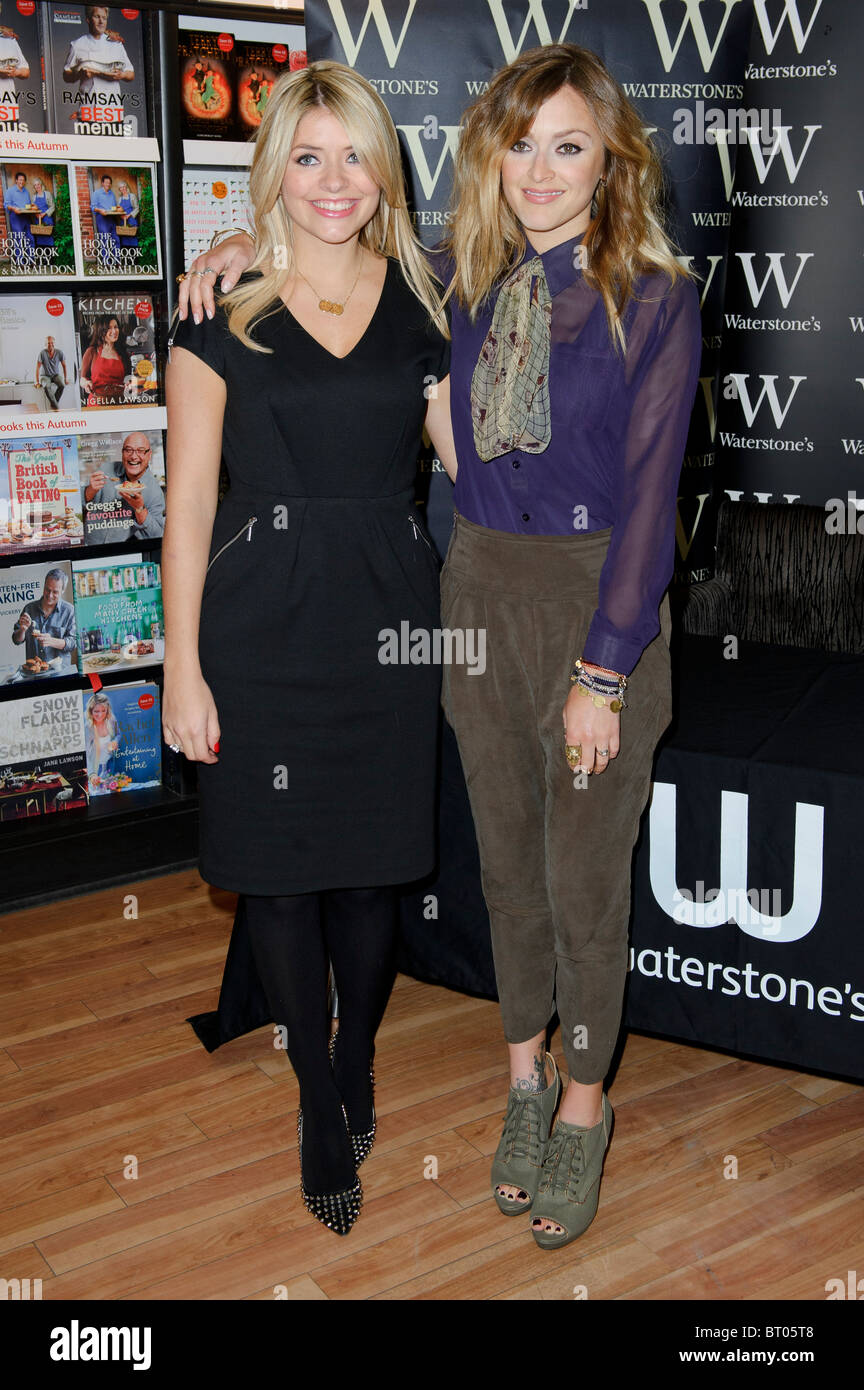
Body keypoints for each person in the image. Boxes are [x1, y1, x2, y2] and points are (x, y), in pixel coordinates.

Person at [182, 42, 703, 1253]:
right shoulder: (459, 289)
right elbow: (334, 286)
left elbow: (649, 502)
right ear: (486, 157)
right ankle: (523, 1080)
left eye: (567, 143)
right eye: (517, 143)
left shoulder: (654, 298)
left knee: (583, 883)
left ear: (609, 158)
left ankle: (584, 1101)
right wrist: (238, 248)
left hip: (591, 608)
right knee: (506, 871)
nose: (539, 169)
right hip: (474, 593)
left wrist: (604, 669)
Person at [164, 60, 453, 1238]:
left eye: (354, 155)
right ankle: (318, 1102)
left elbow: (473, 465)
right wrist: (179, 665)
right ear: (272, 166)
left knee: (376, 873)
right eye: (309, 154)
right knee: (278, 875)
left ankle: (358, 1053)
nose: (334, 180)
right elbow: (184, 508)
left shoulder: (429, 306)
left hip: (389, 628)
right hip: (259, 627)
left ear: (383, 170)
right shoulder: (215, 307)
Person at [84, 431, 164, 540]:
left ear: (149, 455)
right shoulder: (105, 470)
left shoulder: (155, 492)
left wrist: (140, 508)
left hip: (123, 552)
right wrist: (89, 491)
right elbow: (79, 507)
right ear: (122, 452)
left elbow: (156, 535)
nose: (133, 456)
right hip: (89, 546)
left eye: (140, 451)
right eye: (128, 450)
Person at [62, 6, 134, 108]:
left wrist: (122, 75)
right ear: (88, 19)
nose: (101, 21)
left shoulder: (116, 44)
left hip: (113, 111)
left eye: (104, 18)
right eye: (97, 17)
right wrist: (79, 74)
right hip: (88, 110)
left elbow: (131, 74)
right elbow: (66, 75)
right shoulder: (77, 44)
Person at [11, 568, 77, 670]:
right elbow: (16, 640)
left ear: (62, 591)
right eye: (47, 589)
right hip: (34, 674)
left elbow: (73, 643)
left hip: (60, 672)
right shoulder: (29, 608)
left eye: (55, 592)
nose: (50, 595)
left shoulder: (69, 611)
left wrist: (51, 641)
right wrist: (22, 630)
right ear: (44, 586)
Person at [80, 315, 131, 405]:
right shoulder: (92, 351)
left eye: (116, 327)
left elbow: (128, 378)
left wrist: (129, 384)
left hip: (120, 402)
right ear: (101, 331)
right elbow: (82, 379)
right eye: (109, 328)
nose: (114, 331)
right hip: (97, 402)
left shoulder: (123, 353)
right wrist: (86, 383)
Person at [4, 170, 34, 264]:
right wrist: (13, 209)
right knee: (19, 239)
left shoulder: (26, 191)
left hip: (26, 216)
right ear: (16, 180)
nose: (21, 182)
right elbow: (6, 205)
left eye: (23, 180)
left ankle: (31, 260)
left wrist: (32, 207)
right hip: (15, 217)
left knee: (30, 238)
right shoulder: (10, 191)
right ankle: (21, 262)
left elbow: (28, 204)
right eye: (20, 180)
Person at [90, 173, 121, 256]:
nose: (108, 184)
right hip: (101, 218)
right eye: (106, 182)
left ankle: (117, 261)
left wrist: (118, 208)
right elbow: (93, 207)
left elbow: (113, 207)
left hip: (111, 218)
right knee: (105, 240)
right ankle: (106, 262)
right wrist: (100, 210)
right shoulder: (96, 193)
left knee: (116, 239)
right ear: (102, 183)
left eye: (109, 183)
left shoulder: (112, 194)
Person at [35, 335, 68, 411]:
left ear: (54, 343)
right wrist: (37, 381)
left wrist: (66, 379)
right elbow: (37, 368)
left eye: (51, 343)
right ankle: (56, 407)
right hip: (45, 376)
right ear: (45, 344)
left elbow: (64, 366)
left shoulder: (59, 352)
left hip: (56, 375)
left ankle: (54, 403)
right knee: (46, 386)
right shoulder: (42, 353)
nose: (50, 344)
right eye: (48, 343)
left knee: (62, 385)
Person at [30, 178, 55, 249]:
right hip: (38, 221)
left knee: (49, 239)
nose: (37, 186)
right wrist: (36, 214)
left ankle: (50, 258)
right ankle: (42, 258)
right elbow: (33, 208)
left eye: (38, 184)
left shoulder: (47, 194)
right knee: (40, 240)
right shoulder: (34, 197)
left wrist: (44, 213)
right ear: (34, 187)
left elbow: (52, 206)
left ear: (41, 185)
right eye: (35, 185)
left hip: (47, 219)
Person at [115, 179, 138, 248]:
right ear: (119, 190)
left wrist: (129, 215)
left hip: (131, 220)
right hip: (123, 221)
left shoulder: (132, 196)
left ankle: (134, 257)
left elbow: (137, 208)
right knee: (124, 240)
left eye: (123, 187)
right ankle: (126, 256)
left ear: (126, 187)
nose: (122, 189)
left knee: (132, 238)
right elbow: (118, 210)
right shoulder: (120, 199)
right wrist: (121, 216)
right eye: (121, 188)